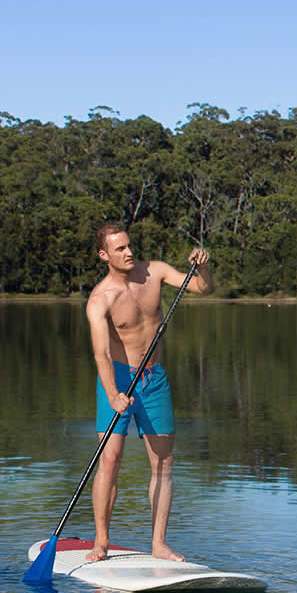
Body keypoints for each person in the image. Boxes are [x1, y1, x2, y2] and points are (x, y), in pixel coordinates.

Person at [84, 222, 212, 562]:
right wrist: (112, 393)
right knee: (109, 460)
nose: (128, 252)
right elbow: (100, 354)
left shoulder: (154, 273)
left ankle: (159, 544)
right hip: (118, 378)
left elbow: (201, 288)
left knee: (163, 463)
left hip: (154, 379)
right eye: (119, 249)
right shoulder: (100, 298)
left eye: (128, 246)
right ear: (104, 255)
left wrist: (203, 266)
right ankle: (101, 542)